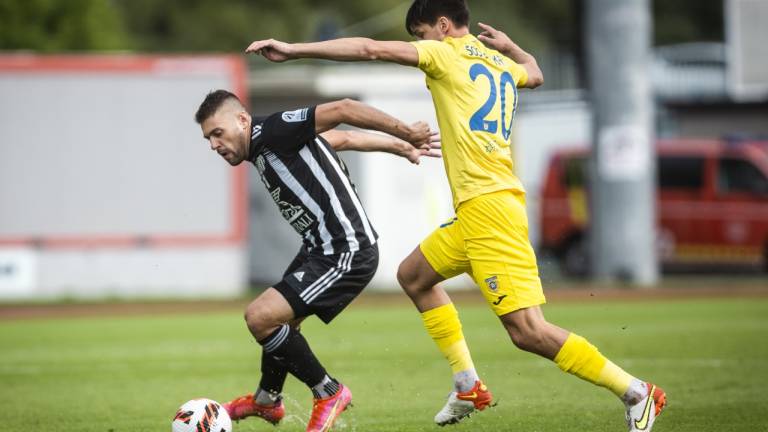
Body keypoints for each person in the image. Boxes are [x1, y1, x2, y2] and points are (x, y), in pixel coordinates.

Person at [244, 1, 667, 431]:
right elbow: (535, 74)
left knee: (528, 331)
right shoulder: (501, 64)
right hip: (479, 209)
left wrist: (294, 49)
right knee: (414, 276)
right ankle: (467, 384)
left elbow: (370, 48)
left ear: (443, 26)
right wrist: (513, 48)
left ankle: (636, 392)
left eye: (421, 34)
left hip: (491, 211)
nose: (419, 44)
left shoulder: (445, 52)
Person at [194, 90, 439, 432]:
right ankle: (266, 399)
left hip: (345, 250)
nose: (214, 144)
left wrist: (407, 132)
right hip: (317, 248)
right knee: (281, 323)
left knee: (260, 317)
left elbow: (344, 109)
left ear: (242, 120)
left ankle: (328, 392)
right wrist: (398, 147)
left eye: (217, 133)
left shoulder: (274, 130)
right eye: (208, 138)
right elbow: (344, 138)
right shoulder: (268, 147)